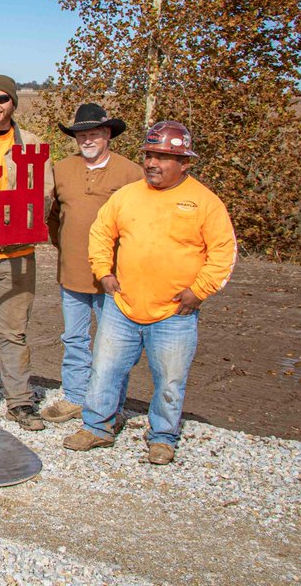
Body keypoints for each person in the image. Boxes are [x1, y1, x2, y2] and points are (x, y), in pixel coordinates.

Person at [65, 121, 236, 465]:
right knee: (105, 369)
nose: (152, 163)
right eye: (149, 155)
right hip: (122, 306)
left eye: (162, 157)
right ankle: (97, 426)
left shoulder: (205, 203)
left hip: (174, 312)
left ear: (185, 163)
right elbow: (101, 233)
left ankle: (162, 437)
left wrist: (199, 291)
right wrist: (104, 272)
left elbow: (223, 252)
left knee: (170, 379)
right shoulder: (127, 196)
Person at [0, 74, 54, 431]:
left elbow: (43, 196)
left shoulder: (32, 145)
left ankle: (19, 402)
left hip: (17, 255)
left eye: (2, 98)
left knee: (13, 332)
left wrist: (11, 230)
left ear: (13, 103)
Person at [43, 103, 141, 422]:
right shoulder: (62, 170)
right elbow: (54, 217)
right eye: (81, 134)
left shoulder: (131, 173)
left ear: (107, 134)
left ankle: (110, 403)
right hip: (71, 272)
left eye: (94, 133)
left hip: (113, 276)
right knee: (74, 338)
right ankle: (73, 396)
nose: (87, 139)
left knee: (112, 344)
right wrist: (65, 246)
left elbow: (141, 224)